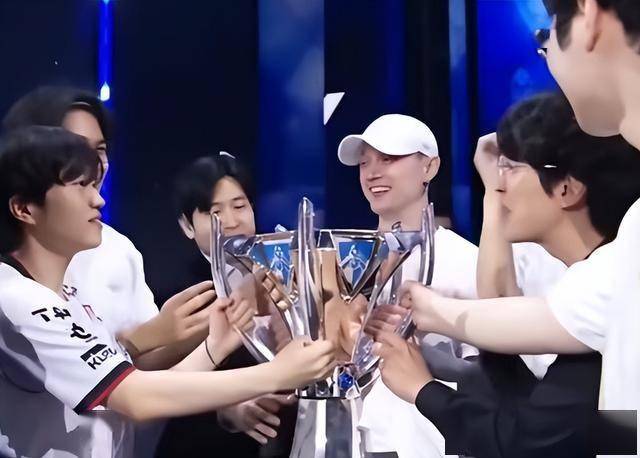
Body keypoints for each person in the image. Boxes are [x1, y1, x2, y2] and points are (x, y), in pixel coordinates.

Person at [390, 2, 640, 453]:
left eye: (547, 35)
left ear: (588, 16)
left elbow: (539, 436)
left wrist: (423, 386)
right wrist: (428, 310)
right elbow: (615, 426)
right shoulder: (623, 253)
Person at [0, 126, 336, 458]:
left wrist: (214, 347)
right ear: (24, 209)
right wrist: (276, 373)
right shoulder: (19, 301)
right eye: (79, 186)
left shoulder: (69, 297)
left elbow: (139, 393)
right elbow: (137, 398)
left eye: (240, 206)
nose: (98, 199)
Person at [2, 86, 208, 371]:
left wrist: (215, 328)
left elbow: (134, 374)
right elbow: (125, 386)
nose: (94, 165)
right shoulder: (14, 286)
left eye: (100, 149)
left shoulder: (117, 249)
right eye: (75, 148)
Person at [337, 114, 480, 457]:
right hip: (351, 438)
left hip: (426, 441)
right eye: (365, 163)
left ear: (430, 167)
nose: (372, 173)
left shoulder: (466, 261)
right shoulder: (344, 261)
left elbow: (486, 375)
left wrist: (414, 349)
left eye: (388, 159)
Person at [157, 153, 298, 458]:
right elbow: (160, 386)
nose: (232, 222)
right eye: (214, 212)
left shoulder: (286, 267)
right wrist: (225, 408)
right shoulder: (177, 293)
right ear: (187, 225)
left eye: (239, 206)